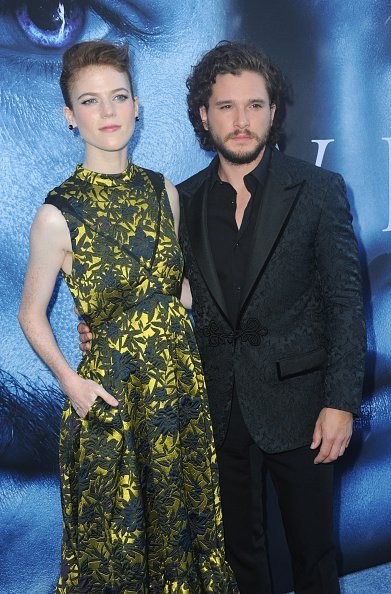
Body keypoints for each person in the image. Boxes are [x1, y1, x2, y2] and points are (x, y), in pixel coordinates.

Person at [79, 41, 366, 592]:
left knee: (314, 557)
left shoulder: (318, 191)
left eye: (254, 106)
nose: (242, 121)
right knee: (236, 562)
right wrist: (110, 330)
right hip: (214, 410)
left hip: (303, 411)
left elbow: (344, 305)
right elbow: (161, 298)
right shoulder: (179, 202)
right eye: (227, 107)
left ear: (274, 112)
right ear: (204, 116)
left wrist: (340, 402)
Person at [18, 40, 237, 593]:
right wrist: (73, 384)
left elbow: (176, 289)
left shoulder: (164, 191)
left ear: (137, 106)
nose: (108, 112)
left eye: (119, 97)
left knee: (185, 540)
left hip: (178, 396)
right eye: (91, 101)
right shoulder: (56, 213)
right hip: (114, 404)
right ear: (71, 117)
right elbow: (31, 315)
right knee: (121, 553)